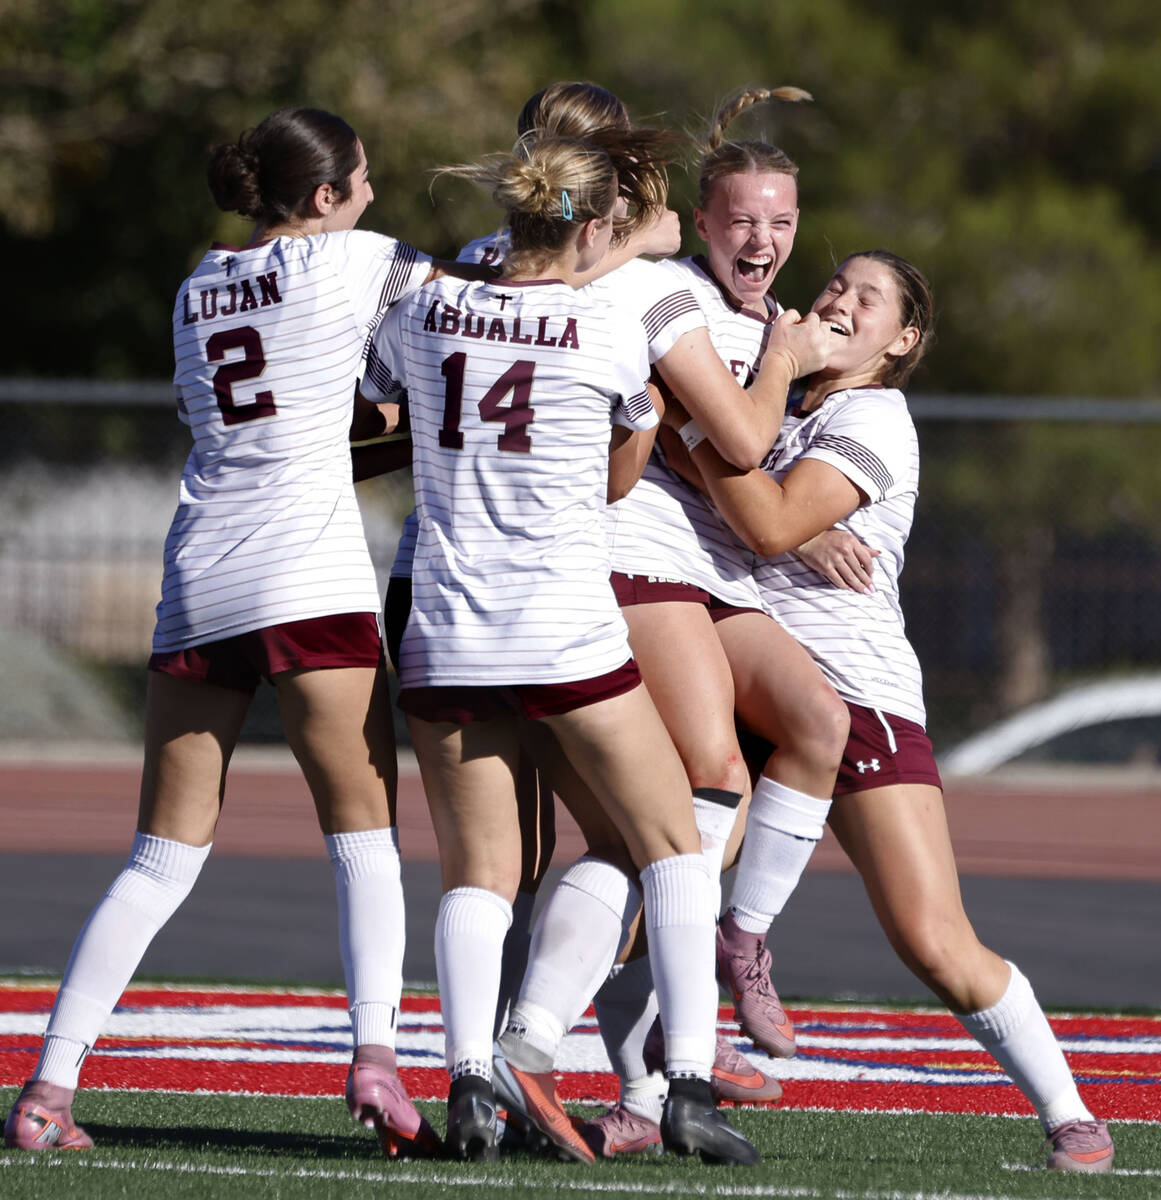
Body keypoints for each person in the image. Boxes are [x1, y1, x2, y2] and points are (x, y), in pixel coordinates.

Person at [3, 107, 474, 1159]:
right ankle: (376, 1066)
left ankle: (47, 1088)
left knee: (159, 858)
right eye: (360, 180)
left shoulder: (198, 283)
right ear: (322, 199)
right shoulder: (360, 257)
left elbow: (254, 417)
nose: (370, 194)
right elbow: (482, 318)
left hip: (201, 573)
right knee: (363, 838)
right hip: (308, 576)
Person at [666, 249, 1115, 1175]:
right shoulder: (771, 385)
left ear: (901, 340)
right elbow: (699, 451)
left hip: (852, 691)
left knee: (933, 940)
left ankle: (1071, 1115)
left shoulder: (872, 412)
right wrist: (760, 448)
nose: (838, 301)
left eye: (867, 299)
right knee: (656, 880)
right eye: (834, 285)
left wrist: (793, 506)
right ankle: (630, 1073)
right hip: (746, 673)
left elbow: (765, 519)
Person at [362, 133, 759, 1167]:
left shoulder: (424, 305)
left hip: (446, 631)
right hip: (563, 630)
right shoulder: (606, 326)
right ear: (594, 224)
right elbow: (624, 476)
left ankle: (468, 1089)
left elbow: (382, 397)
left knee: (478, 875)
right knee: (674, 841)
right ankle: (688, 1091)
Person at [570, 86, 851, 1156]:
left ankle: (734, 942)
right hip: (647, 563)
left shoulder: (775, 326)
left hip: (715, 574)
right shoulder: (671, 296)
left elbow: (762, 464)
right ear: (702, 217)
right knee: (702, 785)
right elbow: (717, 448)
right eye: (742, 219)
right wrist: (790, 518)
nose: (763, 239)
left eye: (781, 222)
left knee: (818, 724)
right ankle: (638, 1027)